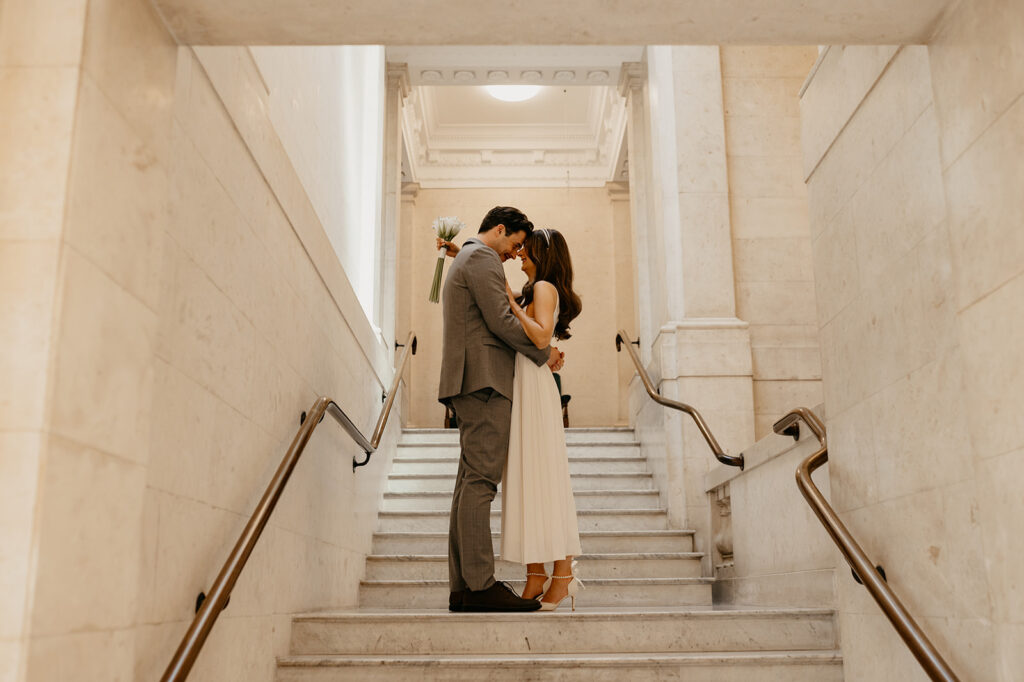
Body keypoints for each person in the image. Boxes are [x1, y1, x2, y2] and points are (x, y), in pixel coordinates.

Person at [437, 206, 565, 612]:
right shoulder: (482, 257)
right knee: (480, 484)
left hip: (472, 380)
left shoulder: (470, 257)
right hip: (485, 381)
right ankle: (479, 586)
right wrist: (544, 354)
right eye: (515, 243)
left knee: (467, 484)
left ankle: (463, 587)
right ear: (499, 230)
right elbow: (500, 321)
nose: (514, 253)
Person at [501, 228, 584, 611]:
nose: (520, 255)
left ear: (542, 253)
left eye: (526, 250)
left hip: (535, 386)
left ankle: (563, 573)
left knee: (543, 477)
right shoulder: (534, 288)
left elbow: (540, 337)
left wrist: (512, 304)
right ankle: (536, 573)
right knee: (527, 479)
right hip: (526, 383)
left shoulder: (544, 287)